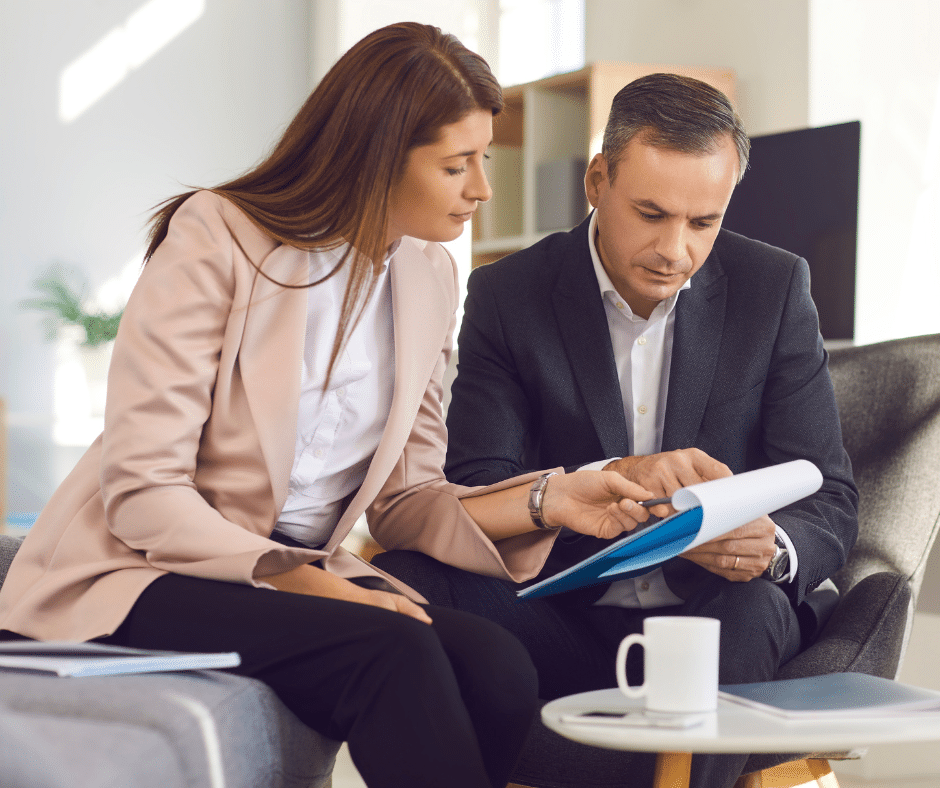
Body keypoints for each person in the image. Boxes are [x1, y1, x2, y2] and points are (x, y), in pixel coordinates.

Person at [0, 24, 663, 788]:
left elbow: (409, 500)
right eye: (457, 164)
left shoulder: (429, 277)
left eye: (483, 158)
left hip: (286, 571)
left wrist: (552, 498)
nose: (482, 187)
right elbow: (144, 493)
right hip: (141, 566)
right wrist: (304, 579)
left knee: (498, 665)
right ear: (379, 156)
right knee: (393, 650)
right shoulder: (217, 236)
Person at [371, 73, 859, 788]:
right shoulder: (510, 296)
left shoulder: (773, 287)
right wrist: (605, 486)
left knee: (750, 605)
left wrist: (769, 546)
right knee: (402, 582)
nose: (675, 250)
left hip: (721, 616)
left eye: (703, 222)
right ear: (598, 180)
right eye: (651, 213)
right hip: (566, 613)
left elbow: (832, 496)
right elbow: (476, 484)